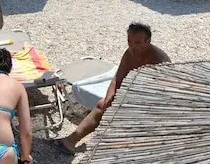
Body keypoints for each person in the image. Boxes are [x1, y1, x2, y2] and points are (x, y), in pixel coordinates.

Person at [58, 23, 169, 154]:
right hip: (133, 92)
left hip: (153, 101)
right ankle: (70, 140)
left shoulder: (159, 61)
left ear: (148, 41)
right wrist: (110, 95)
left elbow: (163, 92)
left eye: (137, 43)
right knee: (103, 104)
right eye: (129, 41)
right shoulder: (129, 53)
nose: (132, 46)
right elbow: (117, 78)